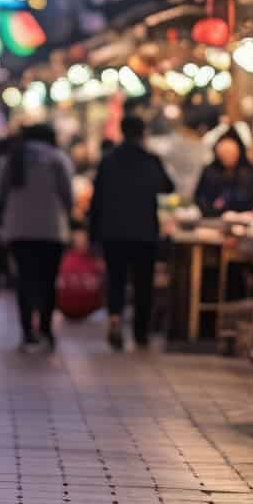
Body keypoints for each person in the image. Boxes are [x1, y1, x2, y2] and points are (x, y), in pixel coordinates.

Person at [90, 114, 175, 350]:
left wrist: (93, 234)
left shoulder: (109, 160)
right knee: (143, 284)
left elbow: (97, 200)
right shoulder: (150, 159)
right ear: (143, 133)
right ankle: (140, 332)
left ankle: (115, 320)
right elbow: (168, 187)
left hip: (113, 232)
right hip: (144, 232)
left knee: (115, 280)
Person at [0, 123, 73, 352]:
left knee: (24, 279)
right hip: (52, 230)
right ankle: (46, 330)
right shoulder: (58, 159)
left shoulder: (13, 159)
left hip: (18, 230)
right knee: (48, 281)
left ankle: (27, 332)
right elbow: (68, 195)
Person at [193, 127, 253, 216]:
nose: (229, 157)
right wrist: (215, 207)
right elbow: (201, 200)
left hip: (246, 218)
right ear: (218, 154)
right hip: (216, 219)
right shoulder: (209, 173)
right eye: (225, 154)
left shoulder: (247, 172)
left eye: (231, 153)